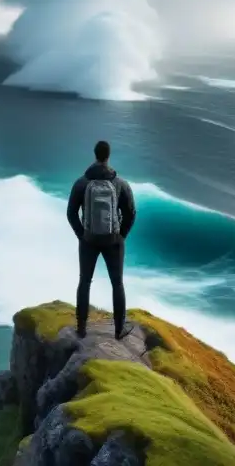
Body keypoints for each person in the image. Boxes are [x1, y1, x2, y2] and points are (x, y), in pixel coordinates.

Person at [66, 140, 136, 339]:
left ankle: (81, 328)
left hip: (89, 240)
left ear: (95, 155)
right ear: (108, 156)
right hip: (113, 240)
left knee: (85, 281)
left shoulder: (81, 183)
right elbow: (130, 212)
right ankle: (119, 330)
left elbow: (71, 213)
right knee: (117, 284)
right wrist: (121, 235)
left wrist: (82, 235)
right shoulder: (120, 183)